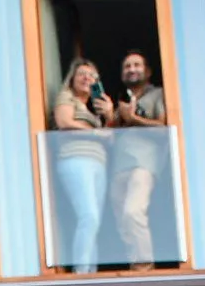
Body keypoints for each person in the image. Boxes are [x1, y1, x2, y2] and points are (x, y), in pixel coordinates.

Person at [48, 58, 113, 272]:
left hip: (98, 164)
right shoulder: (67, 97)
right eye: (82, 74)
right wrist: (95, 132)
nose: (87, 78)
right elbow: (64, 122)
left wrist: (109, 113)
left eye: (92, 75)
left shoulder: (95, 109)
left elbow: (111, 137)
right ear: (72, 79)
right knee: (89, 216)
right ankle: (82, 273)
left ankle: (90, 273)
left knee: (94, 222)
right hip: (75, 160)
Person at [107, 49, 169, 266]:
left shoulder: (157, 94)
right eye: (127, 66)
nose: (131, 69)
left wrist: (132, 118)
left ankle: (145, 269)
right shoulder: (122, 100)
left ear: (148, 71)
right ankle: (136, 267)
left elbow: (164, 128)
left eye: (136, 65)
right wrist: (111, 115)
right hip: (118, 167)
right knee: (122, 223)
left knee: (133, 212)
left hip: (143, 164)